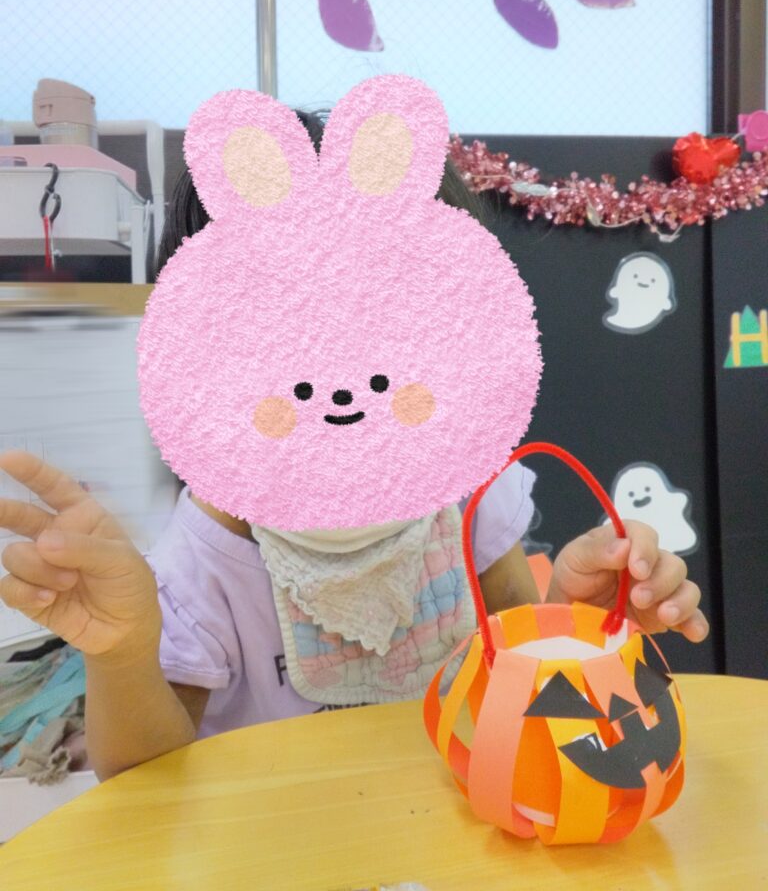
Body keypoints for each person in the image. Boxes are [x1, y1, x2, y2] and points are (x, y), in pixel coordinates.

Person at [0, 112, 709, 782]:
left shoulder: (468, 494)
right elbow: (144, 788)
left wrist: (578, 620)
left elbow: (526, 686)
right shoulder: (207, 557)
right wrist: (122, 654)